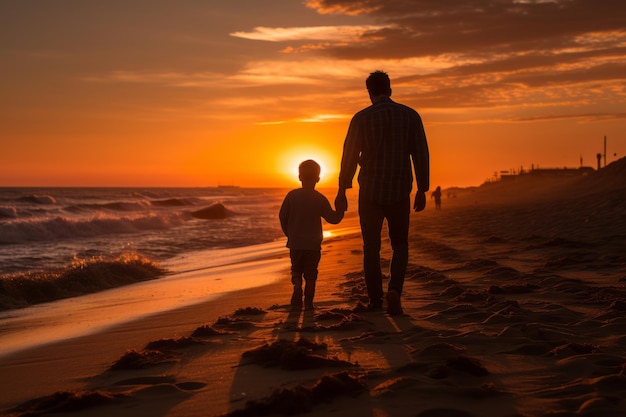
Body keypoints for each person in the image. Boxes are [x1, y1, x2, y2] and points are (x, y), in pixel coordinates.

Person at [335, 70, 429, 316]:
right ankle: (395, 290)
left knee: (371, 248)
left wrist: (342, 189)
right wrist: (422, 188)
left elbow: (349, 156)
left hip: (370, 193)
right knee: (400, 245)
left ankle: (376, 300)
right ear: (390, 89)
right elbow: (420, 153)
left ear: (369, 92)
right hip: (399, 190)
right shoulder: (410, 116)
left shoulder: (361, 118)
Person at [279, 159, 345, 311]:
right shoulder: (319, 198)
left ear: (299, 177)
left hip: (295, 242)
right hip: (313, 245)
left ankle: (296, 286)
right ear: (318, 179)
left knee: (296, 269)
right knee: (310, 274)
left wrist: (289, 234)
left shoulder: (291, 196)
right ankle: (308, 302)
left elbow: (282, 216)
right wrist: (341, 208)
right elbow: (333, 219)